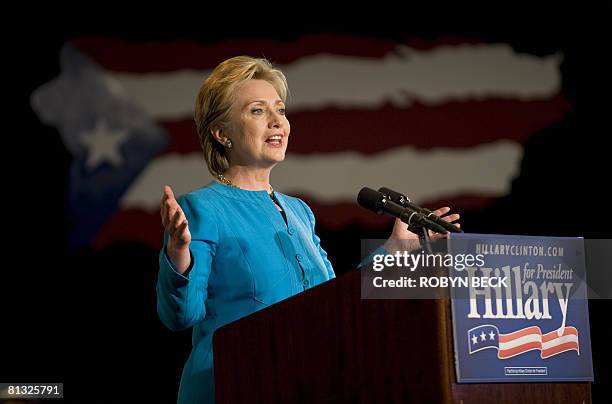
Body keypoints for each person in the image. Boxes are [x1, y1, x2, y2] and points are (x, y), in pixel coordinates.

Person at [156, 56, 459, 403]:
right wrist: (178, 254)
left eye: (280, 110)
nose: (277, 122)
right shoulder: (202, 209)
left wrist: (394, 251)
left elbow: (331, 303)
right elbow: (180, 316)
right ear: (222, 132)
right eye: (257, 111)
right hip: (230, 385)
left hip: (299, 382)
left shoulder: (299, 211)